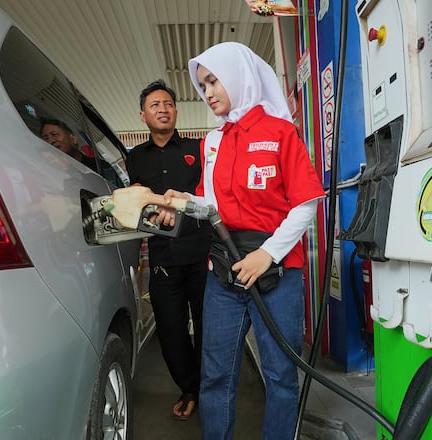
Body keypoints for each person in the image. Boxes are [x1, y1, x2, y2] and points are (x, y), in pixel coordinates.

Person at [163, 42, 325, 439]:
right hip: (224, 271)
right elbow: (212, 206)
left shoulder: (281, 132)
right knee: (215, 376)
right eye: (203, 85)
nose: (208, 92)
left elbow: (307, 204)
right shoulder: (212, 142)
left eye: (214, 80)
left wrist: (267, 255)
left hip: (276, 273)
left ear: (239, 76)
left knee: (281, 376)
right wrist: (186, 203)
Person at [125, 80, 211, 421]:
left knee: (209, 327)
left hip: (203, 255)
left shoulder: (199, 149)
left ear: (176, 110)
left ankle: (208, 388)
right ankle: (188, 387)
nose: (163, 108)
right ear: (143, 116)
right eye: (155, 105)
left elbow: (209, 196)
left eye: (169, 103)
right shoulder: (135, 159)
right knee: (171, 331)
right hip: (162, 259)